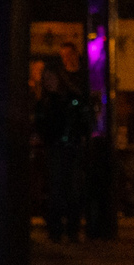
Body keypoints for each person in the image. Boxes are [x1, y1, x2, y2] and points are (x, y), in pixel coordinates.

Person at [35, 56, 96, 244]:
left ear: (58, 76)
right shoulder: (47, 101)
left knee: (71, 190)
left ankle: (70, 229)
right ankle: (58, 230)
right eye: (45, 79)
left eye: (50, 77)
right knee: (57, 190)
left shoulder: (70, 98)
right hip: (56, 149)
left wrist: (80, 136)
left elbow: (83, 120)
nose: (48, 82)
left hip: (70, 148)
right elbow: (42, 125)